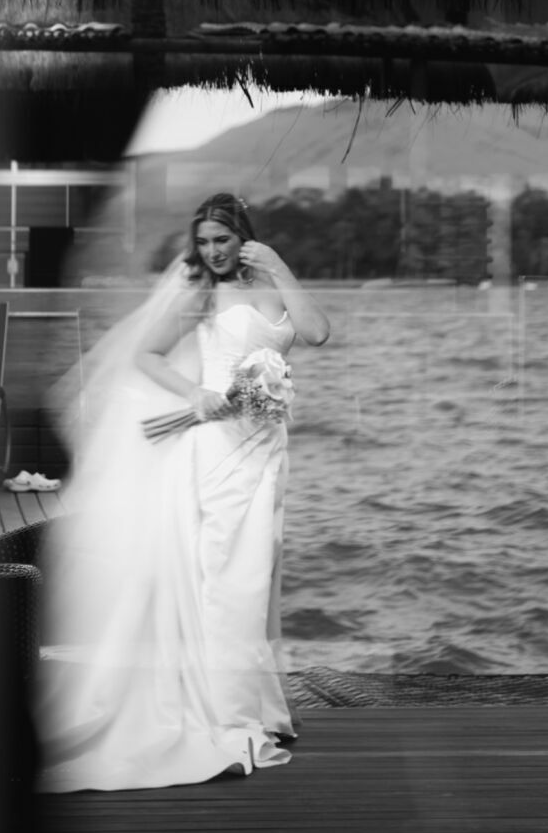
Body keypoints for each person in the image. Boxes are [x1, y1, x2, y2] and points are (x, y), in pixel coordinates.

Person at [35, 193, 330, 792]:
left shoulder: (269, 279)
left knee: (259, 578)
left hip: (269, 452)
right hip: (218, 449)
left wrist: (277, 264)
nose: (212, 252)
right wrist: (194, 394)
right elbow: (144, 354)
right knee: (229, 580)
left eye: (222, 240)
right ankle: (228, 716)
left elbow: (317, 332)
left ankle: (253, 702)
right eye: (204, 242)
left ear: (244, 237)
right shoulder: (200, 292)